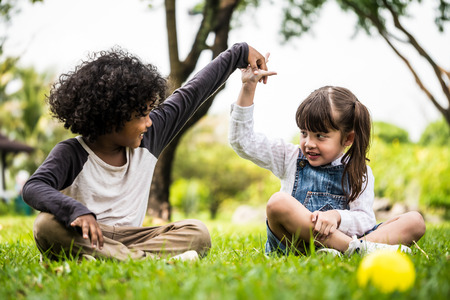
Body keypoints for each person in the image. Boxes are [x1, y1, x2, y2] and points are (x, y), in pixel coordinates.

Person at [23, 42, 268, 261]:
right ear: (110, 118)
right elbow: (34, 187)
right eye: (142, 115)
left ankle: (112, 258)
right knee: (46, 225)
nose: (149, 122)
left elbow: (193, 92)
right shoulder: (72, 153)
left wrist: (238, 53)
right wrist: (76, 211)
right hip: (89, 234)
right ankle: (144, 260)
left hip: (137, 237)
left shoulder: (150, 138)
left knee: (197, 232)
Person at [229, 56, 426, 256]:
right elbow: (242, 141)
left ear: (347, 138)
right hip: (296, 245)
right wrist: (248, 88)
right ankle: (354, 250)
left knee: (415, 221)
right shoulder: (289, 157)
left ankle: (353, 249)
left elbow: (366, 220)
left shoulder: (359, 170)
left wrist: (337, 217)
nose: (309, 143)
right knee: (277, 202)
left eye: (321, 136)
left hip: (345, 238)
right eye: (304, 133)